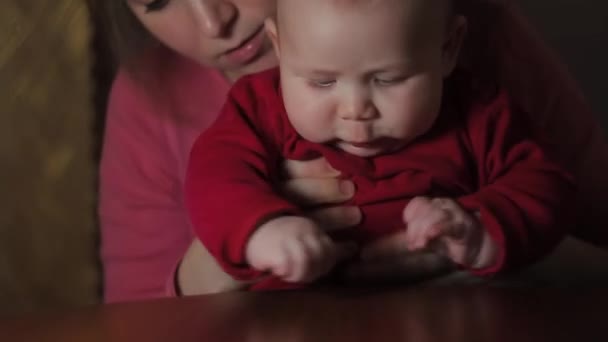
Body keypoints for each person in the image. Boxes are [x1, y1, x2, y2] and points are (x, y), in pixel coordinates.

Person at [98, 0, 607, 303]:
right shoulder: (240, 107)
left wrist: (488, 234)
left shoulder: (476, 92)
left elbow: (550, 189)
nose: (213, 22)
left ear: (447, 49)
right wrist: (245, 236)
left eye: (390, 78)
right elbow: (134, 320)